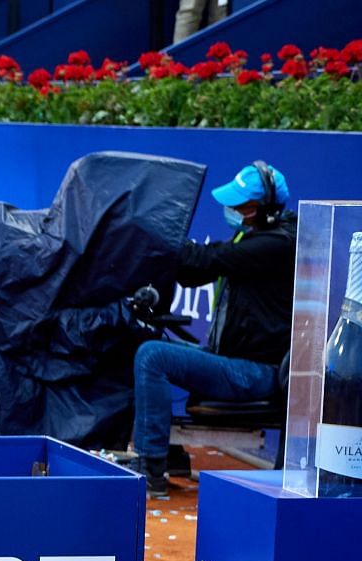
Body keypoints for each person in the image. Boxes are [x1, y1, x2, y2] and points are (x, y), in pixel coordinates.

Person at [124, 161, 297, 495]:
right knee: (146, 341)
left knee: (152, 357)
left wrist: (159, 231)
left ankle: (151, 468)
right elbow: (193, 272)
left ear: (259, 209)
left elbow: (205, 259)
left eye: (240, 205)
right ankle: (167, 454)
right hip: (235, 360)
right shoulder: (257, 235)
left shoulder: (275, 245)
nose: (231, 210)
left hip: (256, 373)